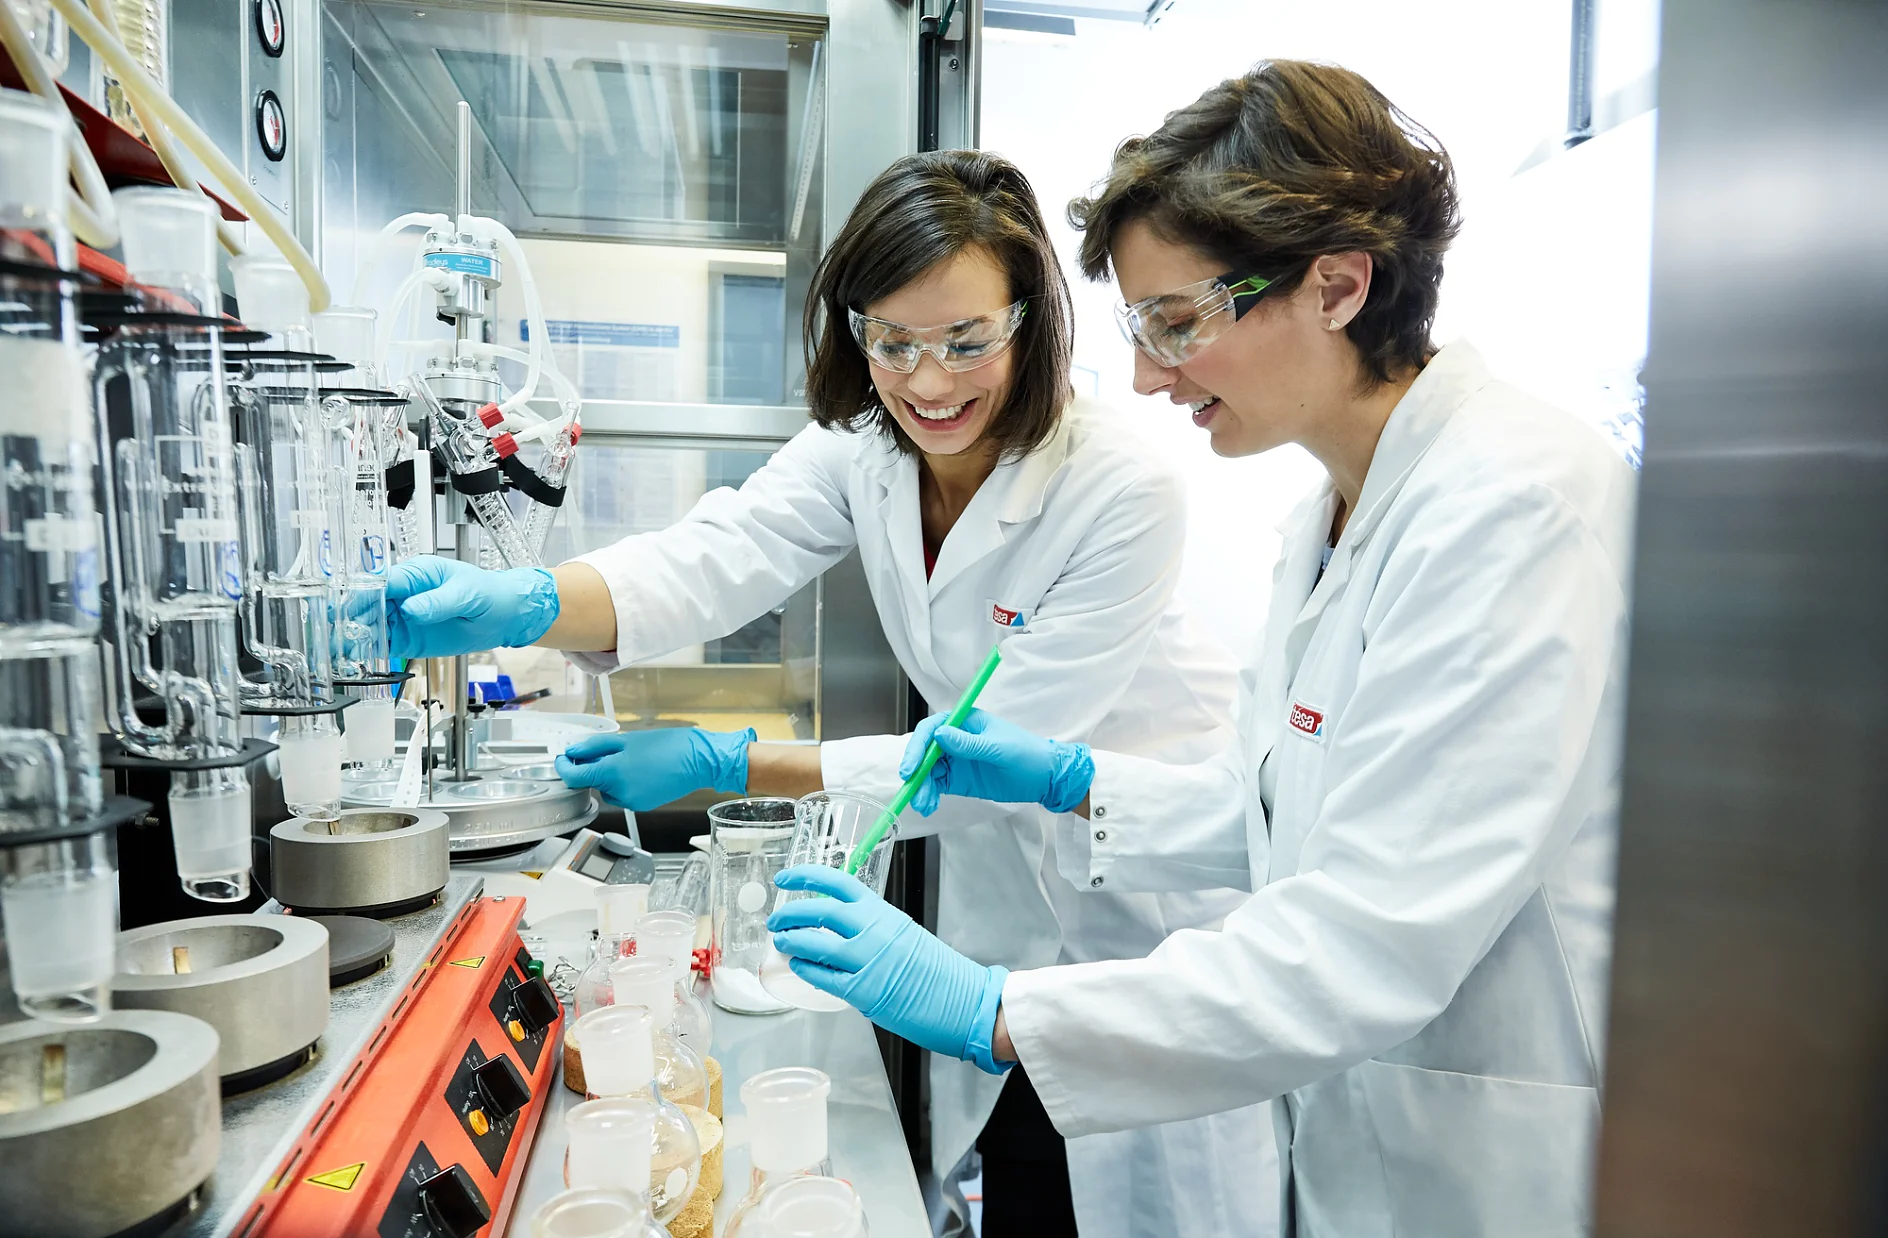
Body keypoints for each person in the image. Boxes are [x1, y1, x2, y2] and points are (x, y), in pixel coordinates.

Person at [767, 60, 1635, 1237]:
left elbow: (1368, 930)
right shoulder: (1326, 518)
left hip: (1497, 1159)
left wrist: (992, 1007)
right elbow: (1282, 814)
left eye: (1175, 321)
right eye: (1137, 325)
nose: (1143, 372)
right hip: (1360, 1133)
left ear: (1335, 285)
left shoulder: (1513, 504)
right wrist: (1082, 786)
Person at [386, 150, 1275, 1237]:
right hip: (996, 888)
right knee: (1015, 1176)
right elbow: (713, 554)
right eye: (892, 341)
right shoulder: (864, 446)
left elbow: (996, 757)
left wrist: (733, 763)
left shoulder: (1117, 489)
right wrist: (522, 600)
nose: (929, 382)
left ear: (1030, 320)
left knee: (1125, 1200)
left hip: (1145, 890)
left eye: (966, 340)